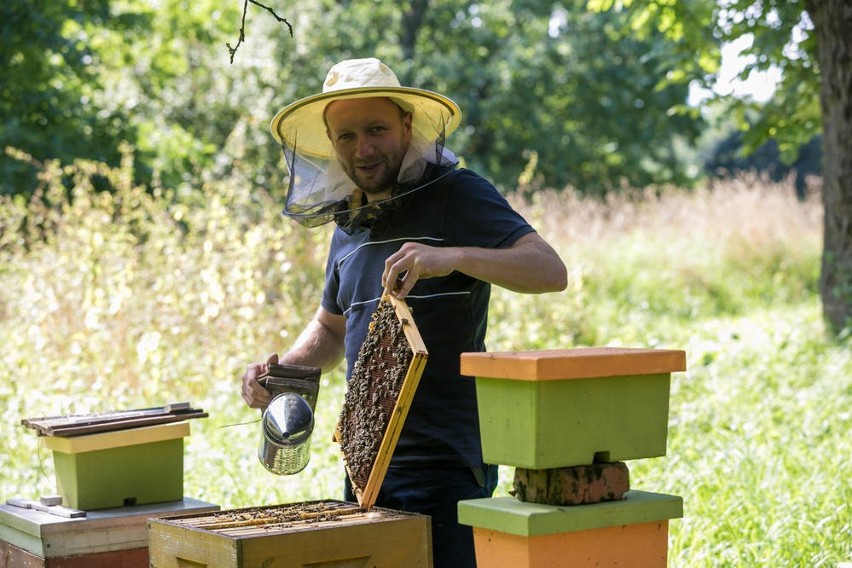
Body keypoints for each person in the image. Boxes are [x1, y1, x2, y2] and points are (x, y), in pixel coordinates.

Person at [241, 57, 567, 567]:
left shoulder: (456, 194)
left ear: (407, 126)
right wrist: (283, 374)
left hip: (447, 462)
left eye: (376, 129)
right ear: (331, 142)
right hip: (365, 463)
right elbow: (331, 326)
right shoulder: (348, 223)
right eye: (346, 136)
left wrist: (453, 257)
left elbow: (549, 270)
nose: (362, 148)